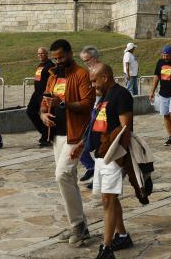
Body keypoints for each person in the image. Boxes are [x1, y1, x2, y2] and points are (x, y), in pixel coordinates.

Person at [40, 39, 94, 246]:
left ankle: (78, 225)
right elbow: (44, 103)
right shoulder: (53, 76)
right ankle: (79, 225)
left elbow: (88, 104)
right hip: (57, 135)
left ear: (70, 53)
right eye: (55, 58)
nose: (58, 61)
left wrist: (63, 103)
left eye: (61, 57)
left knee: (61, 175)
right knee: (68, 179)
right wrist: (44, 114)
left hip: (75, 134)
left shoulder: (81, 75)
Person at [84, 64, 135, 259]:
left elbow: (125, 128)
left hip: (113, 155)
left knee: (108, 199)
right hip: (100, 155)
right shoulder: (104, 96)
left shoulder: (120, 95)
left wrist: (121, 158)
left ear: (105, 77)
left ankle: (106, 248)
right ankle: (122, 234)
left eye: (94, 80)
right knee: (109, 198)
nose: (92, 84)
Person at [78, 46, 103, 185]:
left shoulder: (102, 70)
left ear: (94, 58)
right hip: (90, 109)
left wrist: (90, 90)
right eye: (83, 60)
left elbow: (106, 90)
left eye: (86, 60)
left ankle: (98, 174)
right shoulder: (89, 71)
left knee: (93, 145)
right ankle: (91, 167)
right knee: (80, 142)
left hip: (100, 111)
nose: (85, 63)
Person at [27, 47, 54, 147]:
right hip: (36, 93)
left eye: (42, 53)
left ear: (47, 54)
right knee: (30, 111)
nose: (40, 55)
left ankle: (46, 137)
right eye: (38, 54)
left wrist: (47, 94)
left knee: (45, 114)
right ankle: (44, 132)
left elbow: (52, 80)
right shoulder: (40, 66)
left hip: (44, 94)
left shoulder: (50, 65)